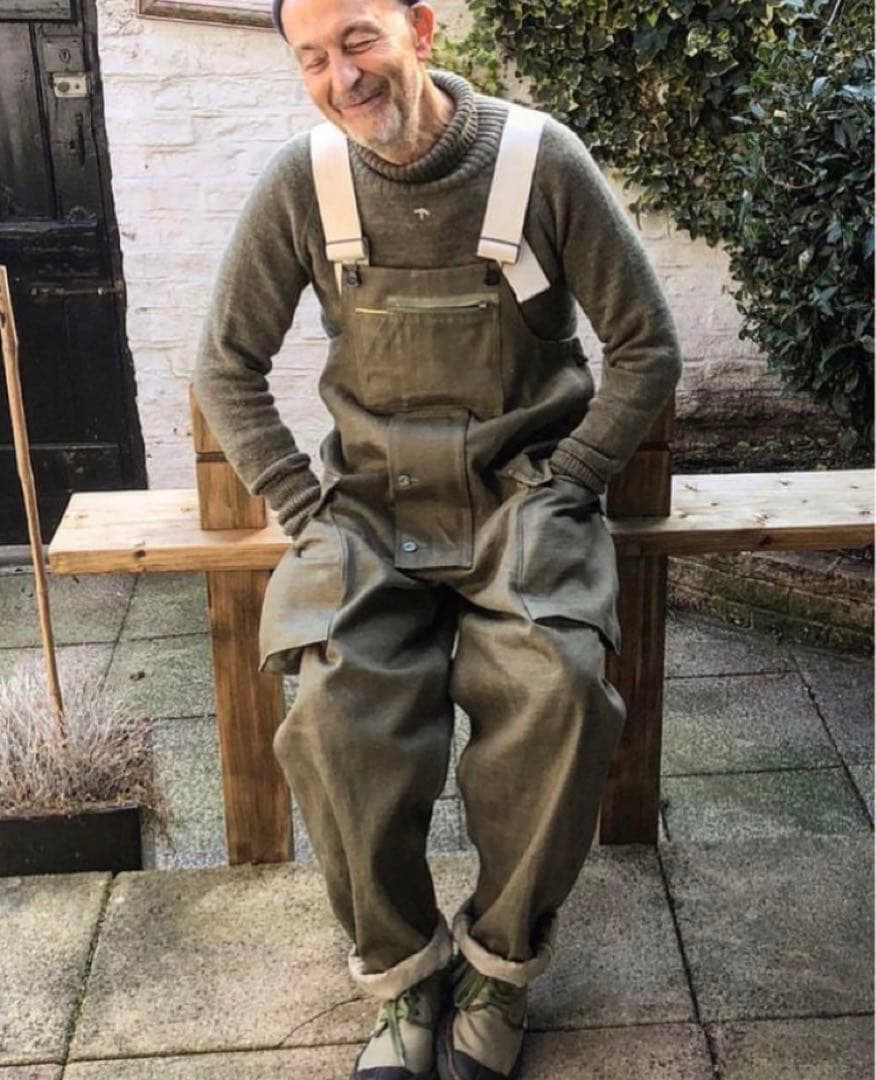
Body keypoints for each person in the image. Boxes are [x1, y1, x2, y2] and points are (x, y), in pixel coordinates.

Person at [193, 1, 682, 1076]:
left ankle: (499, 967)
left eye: (358, 38)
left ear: (419, 28)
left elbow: (647, 342)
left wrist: (573, 479)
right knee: (335, 710)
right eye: (312, 58)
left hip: (524, 502)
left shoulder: (539, 162)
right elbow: (223, 365)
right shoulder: (305, 183)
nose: (342, 76)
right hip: (369, 510)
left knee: (557, 688)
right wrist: (300, 503)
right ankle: (404, 973)